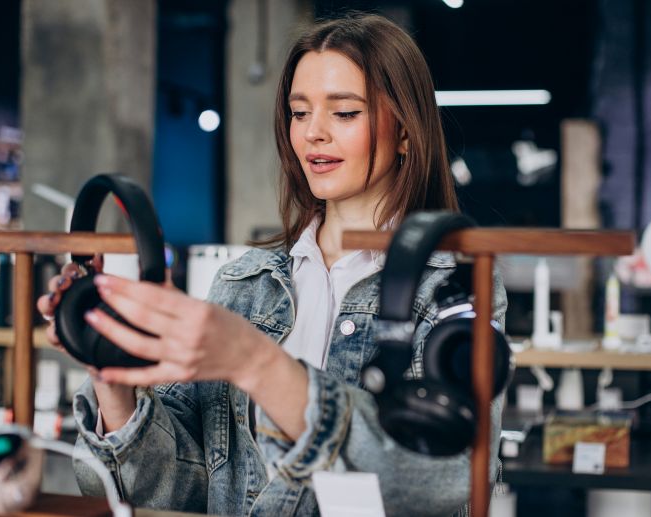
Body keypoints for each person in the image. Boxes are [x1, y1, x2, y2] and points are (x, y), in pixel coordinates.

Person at [37, 12, 507, 516]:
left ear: (407, 132)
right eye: (299, 112)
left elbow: (444, 482)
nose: (313, 134)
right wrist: (112, 376)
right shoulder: (245, 283)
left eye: (344, 113)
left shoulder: (450, 287)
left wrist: (256, 363)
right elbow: (181, 488)